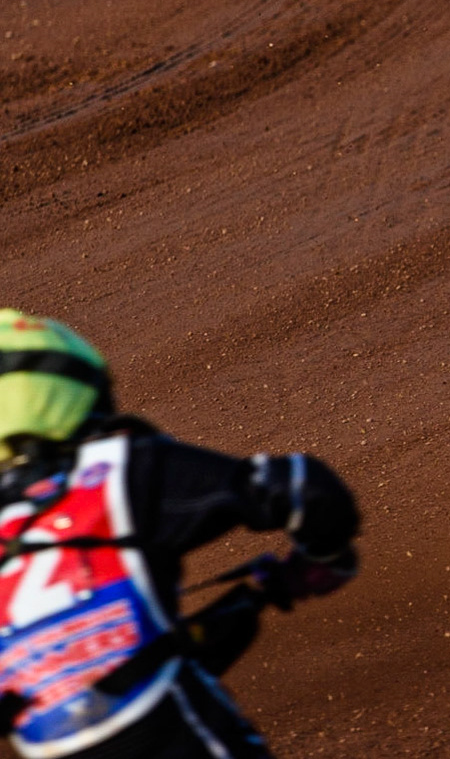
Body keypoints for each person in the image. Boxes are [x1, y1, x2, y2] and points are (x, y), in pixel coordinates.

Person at [0, 310, 360, 759]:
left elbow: (92, 678)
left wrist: (255, 600)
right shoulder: (118, 470)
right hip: (183, 736)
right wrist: (322, 559)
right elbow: (304, 489)